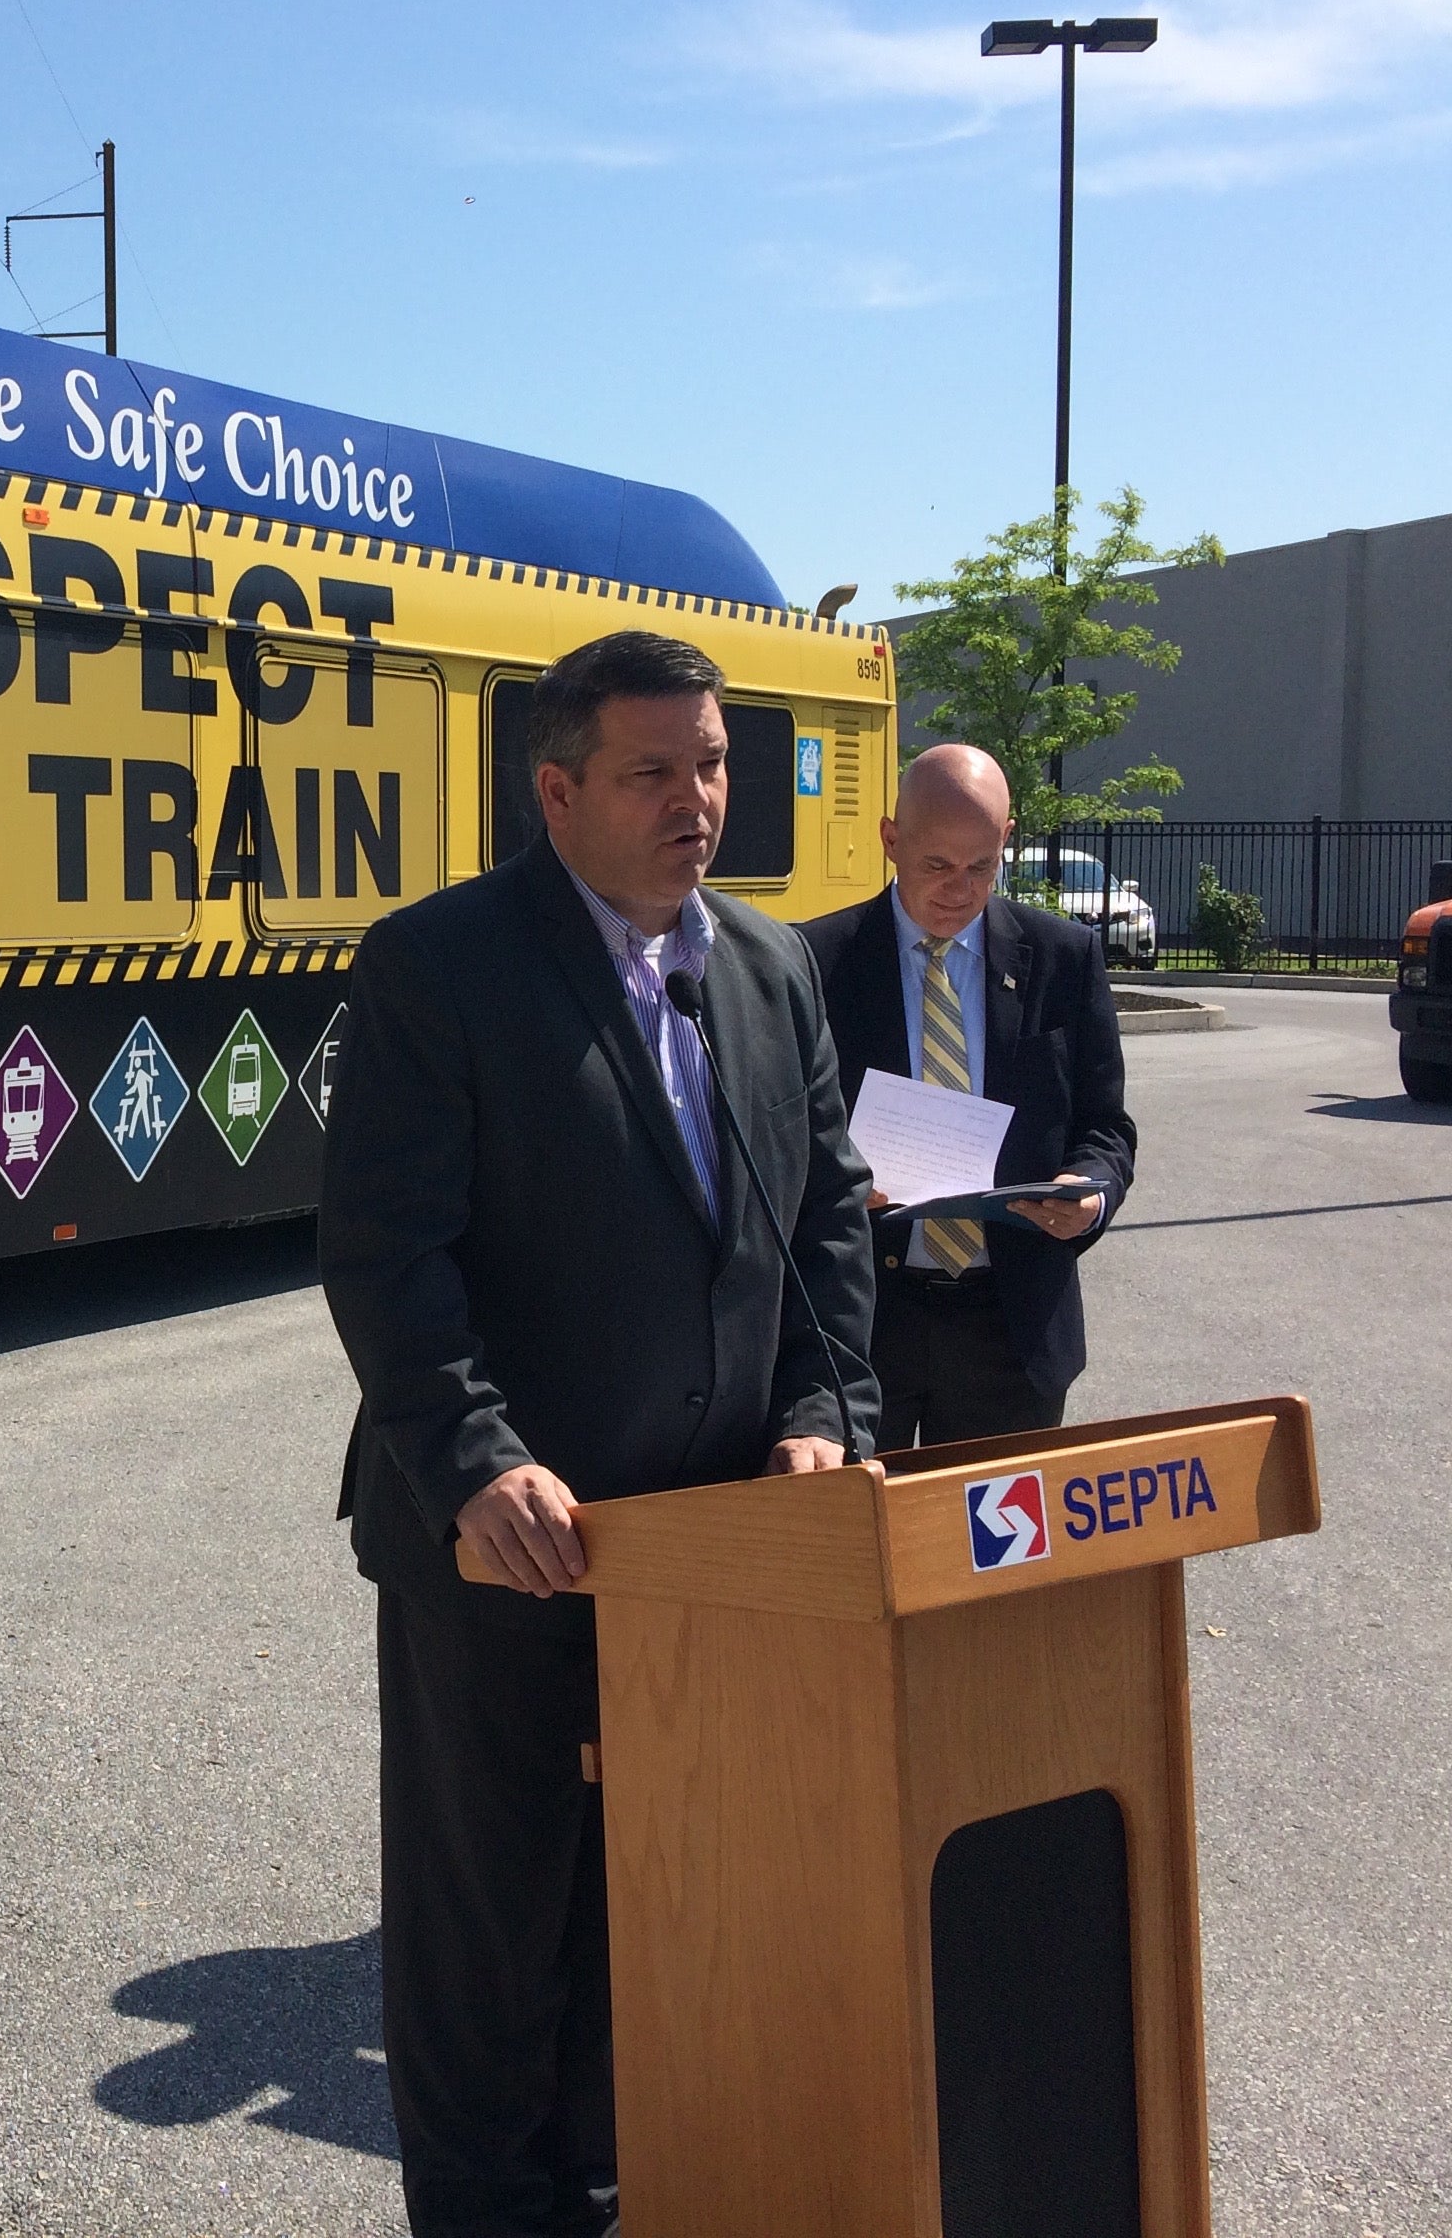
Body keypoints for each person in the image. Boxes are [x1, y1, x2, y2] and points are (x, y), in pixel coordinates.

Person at [318, 629, 879, 2238]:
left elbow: (827, 1216)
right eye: (654, 772)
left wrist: (827, 1412)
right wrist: (478, 1457)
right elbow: (385, 1251)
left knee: (665, 1921)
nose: (696, 800)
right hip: (516, 1562)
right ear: (556, 790)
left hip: (718, 1561)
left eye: (711, 765)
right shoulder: (442, 966)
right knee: (493, 1945)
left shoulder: (767, 970)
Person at [798, 743, 1136, 1447]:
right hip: (861, 1323)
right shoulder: (815, 962)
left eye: (981, 866)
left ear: (1007, 841)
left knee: (1000, 1552)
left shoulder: (1063, 960)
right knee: (868, 1547)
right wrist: (829, 1182)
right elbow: (777, 1133)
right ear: (891, 840)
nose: (958, 889)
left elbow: (1105, 1125)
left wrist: (1091, 1191)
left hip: (1012, 1332)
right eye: (936, 866)